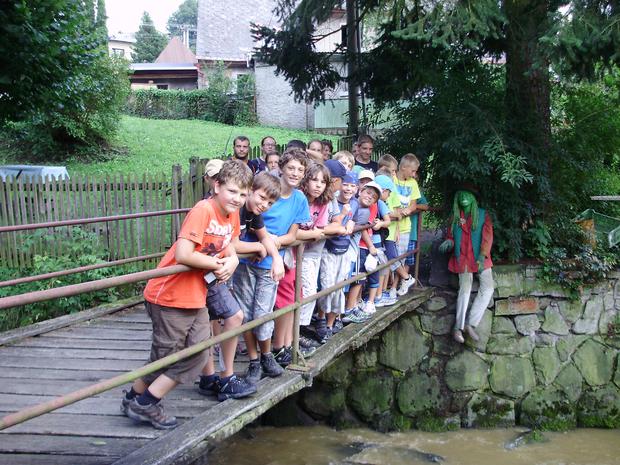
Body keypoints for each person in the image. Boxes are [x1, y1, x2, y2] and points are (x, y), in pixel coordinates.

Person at [121, 160, 252, 430]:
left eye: (242, 194)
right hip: (169, 296)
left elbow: (230, 244)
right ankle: (144, 403)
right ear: (216, 186)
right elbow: (183, 254)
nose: (238, 199)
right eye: (232, 191)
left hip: (196, 296)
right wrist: (218, 265)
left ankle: (137, 399)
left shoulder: (232, 213)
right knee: (166, 357)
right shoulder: (203, 210)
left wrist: (233, 261)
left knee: (200, 351)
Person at [197, 171, 283, 401]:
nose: (264, 205)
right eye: (261, 198)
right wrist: (254, 249)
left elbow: (251, 240)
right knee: (213, 320)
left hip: (215, 273)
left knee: (226, 317)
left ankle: (219, 376)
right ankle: (216, 376)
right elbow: (231, 244)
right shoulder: (216, 210)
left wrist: (275, 258)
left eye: (270, 202)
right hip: (204, 273)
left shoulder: (245, 212)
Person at [235, 148, 310, 381]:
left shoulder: (298, 199)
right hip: (247, 257)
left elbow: (292, 235)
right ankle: (254, 360)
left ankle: (267, 355)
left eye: (300, 169)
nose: (295, 173)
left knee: (264, 312)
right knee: (246, 313)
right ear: (281, 167)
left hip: (269, 260)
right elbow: (255, 226)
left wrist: (271, 247)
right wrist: (262, 246)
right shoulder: (267, 192)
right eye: (291, 168)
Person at [439, 187, 494, 344]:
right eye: (460, 195)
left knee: (488, 287)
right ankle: (458, 327)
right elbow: (451, 236)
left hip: (480, 257)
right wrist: (449, 242)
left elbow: (487, 237)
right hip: (462, 258)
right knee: (465, 288)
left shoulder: (483, 215)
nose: (463, 197)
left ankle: (471, 323)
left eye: (467, 195)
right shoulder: (455, 217)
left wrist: (482, 256)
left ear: (473, 198)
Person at [315, 171, 358, 343]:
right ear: (339, 185)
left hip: (344, 250)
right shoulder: (332, 201)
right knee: (327, 286)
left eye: (352, 185)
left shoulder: (355, 204)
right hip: (329, 249)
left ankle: (330, 324)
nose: (348, 188)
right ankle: (321, 319)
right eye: (345, 184)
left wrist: (352, 222)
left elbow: (357, 218)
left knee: (339, 288)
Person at [389, 153, 420, 296]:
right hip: (391, 225)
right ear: (403, 167)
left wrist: (407, 210)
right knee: (390, 257)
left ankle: (394, 287)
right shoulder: (392, 179)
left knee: (400, 258)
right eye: (413, 171)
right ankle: (400, 282)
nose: (415, 174)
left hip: (405, 227)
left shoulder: (413, 183)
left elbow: (414, 204)